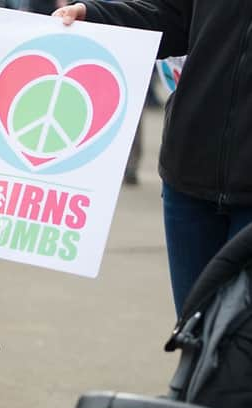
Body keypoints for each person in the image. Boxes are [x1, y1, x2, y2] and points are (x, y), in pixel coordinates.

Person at [53, 1, 252, 316]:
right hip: (188, 175)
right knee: (192, 335)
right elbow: (171, 19)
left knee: (241, 346)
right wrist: (94, 16)